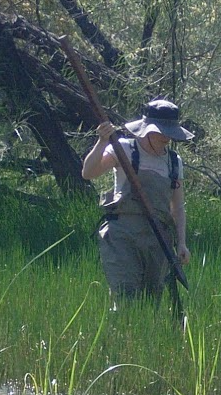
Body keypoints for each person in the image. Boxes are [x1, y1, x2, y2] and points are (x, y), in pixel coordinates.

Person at [82, 99, 193, 303]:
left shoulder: (174, 162)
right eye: (161, 131)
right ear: (147, 128)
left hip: (157, 237)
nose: (166, 137)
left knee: (151, 300)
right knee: (125, 294)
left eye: (170, 131)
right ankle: (121, 332)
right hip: (122, 233)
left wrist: (182, 243)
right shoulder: (124, 148)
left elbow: (177, 207)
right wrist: (102, 142)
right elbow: (88, 172)